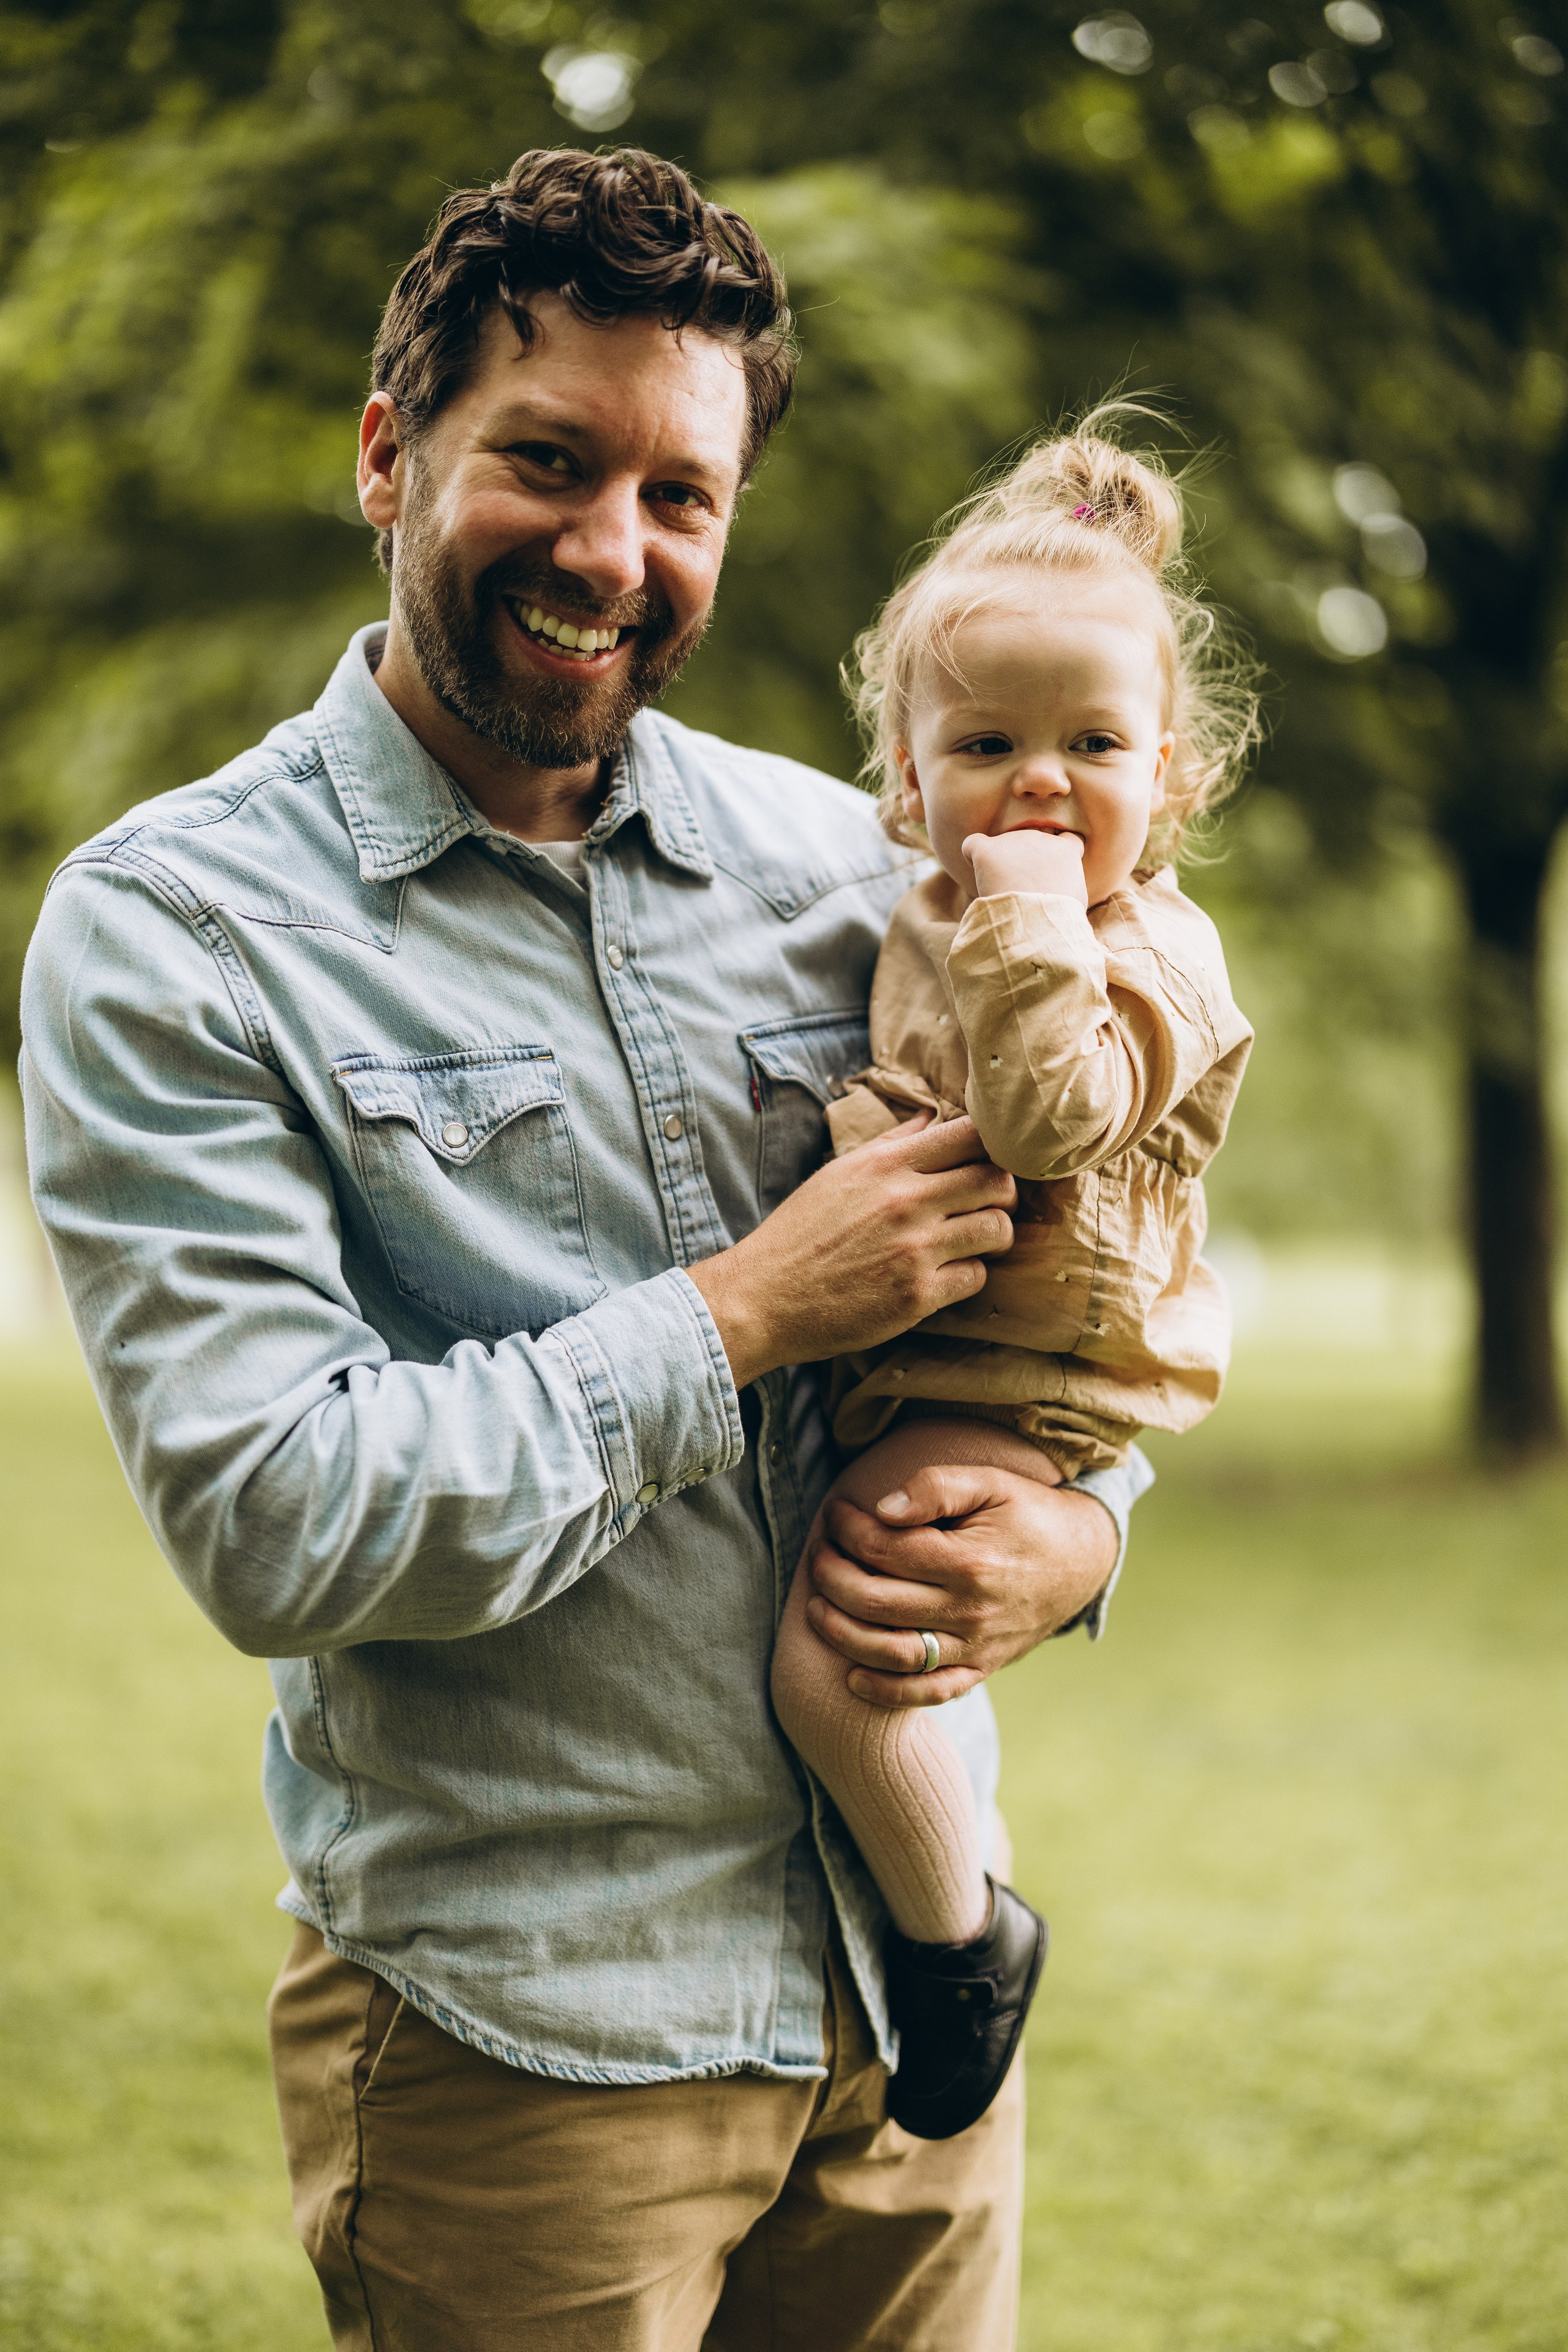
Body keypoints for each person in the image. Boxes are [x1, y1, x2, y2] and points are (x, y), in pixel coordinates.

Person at [20, 148, 1149, 2352]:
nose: (611, 554)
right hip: (523, 2054)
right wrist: (747, 1311)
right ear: (387, 454)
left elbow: (1085, 1252)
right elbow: (275, 1517)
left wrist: (1087, 1535)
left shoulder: (856, 867)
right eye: (547, 461)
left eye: (681, 497)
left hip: (910, 1999)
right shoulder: (176, 934)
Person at [771, 418, 1257, 2140]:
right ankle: (952, 1914)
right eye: (988, 744)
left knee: (839, 1661)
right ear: (906, 778)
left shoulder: (1144, 952)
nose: (1041, 785)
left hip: (1017, 1384)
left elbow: (1054, 1123)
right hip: (941, 1354)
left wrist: (1037, 916)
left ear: (1172, 775)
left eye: (1092, 745)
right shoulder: (924, 903)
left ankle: (964, 1939)